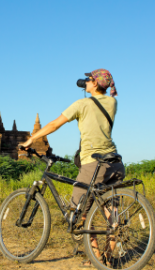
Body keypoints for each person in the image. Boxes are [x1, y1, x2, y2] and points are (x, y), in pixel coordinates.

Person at [19, 68, 125, 268]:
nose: (85, 82)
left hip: (93, 163)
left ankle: (96, 256)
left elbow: (54, 124)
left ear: (94, 84)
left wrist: (32, 139)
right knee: (112, 212)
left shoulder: (82, 104)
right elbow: (101, 96)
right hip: (115, 162)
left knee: (77, 214)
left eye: (89, 80)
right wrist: (93, 85)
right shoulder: (112, 102)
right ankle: (110, 257)